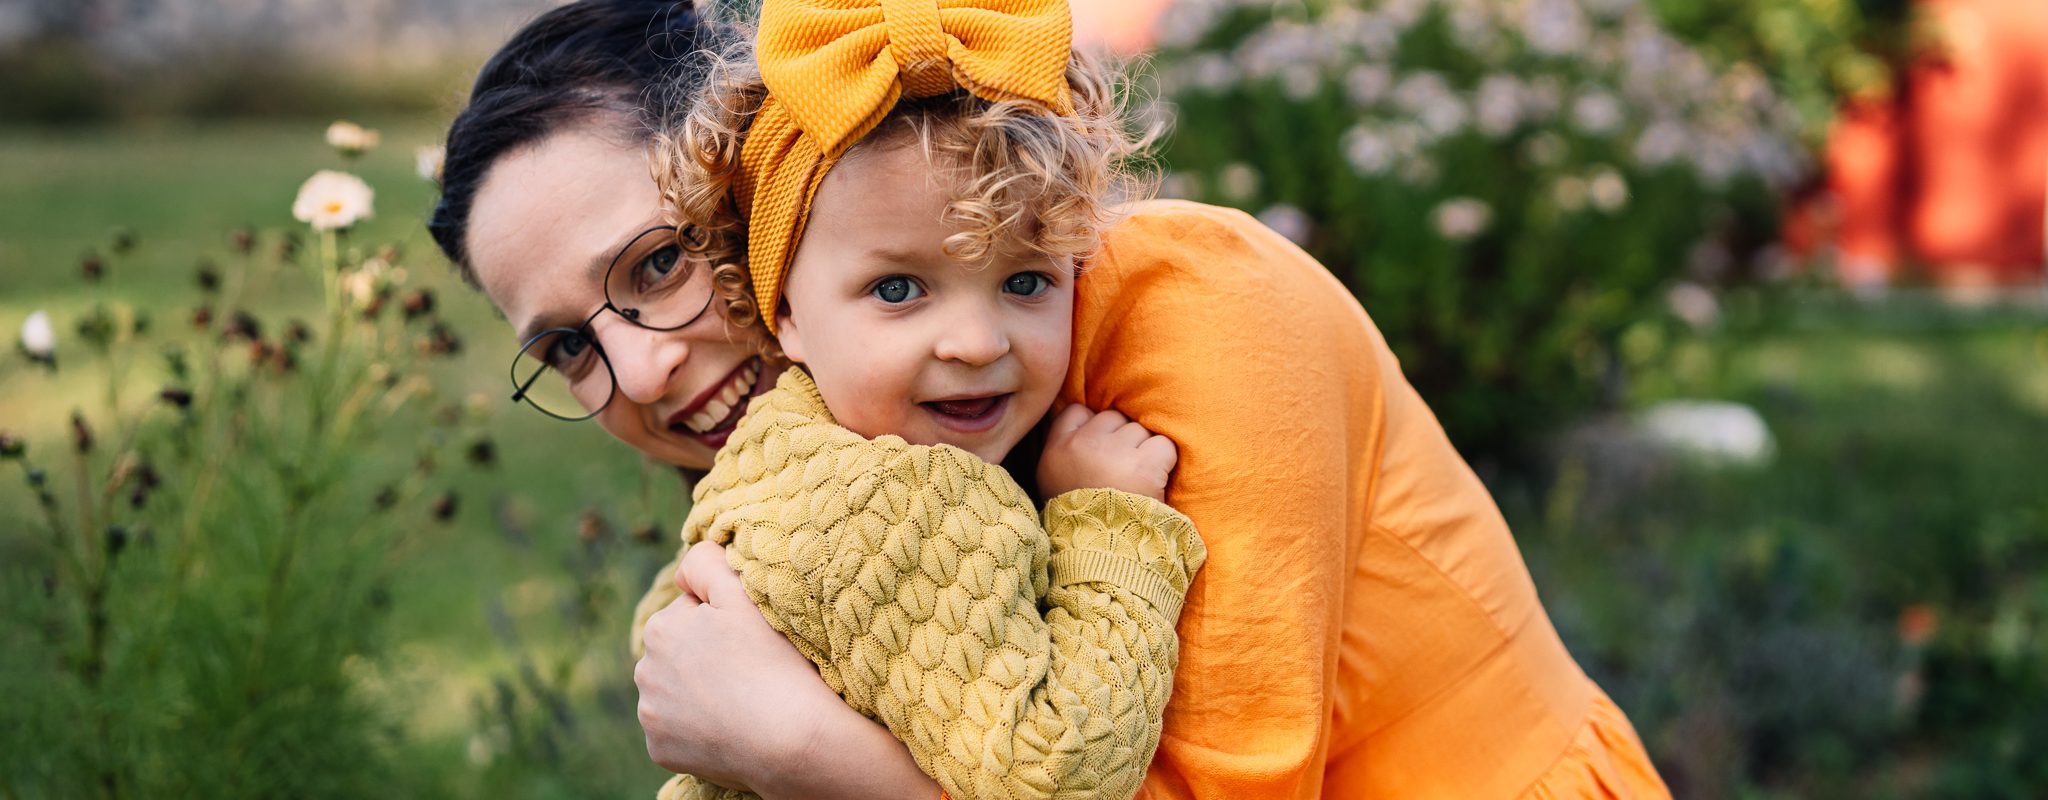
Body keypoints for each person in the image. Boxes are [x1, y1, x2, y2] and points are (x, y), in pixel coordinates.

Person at [430, 1, 1673, 797]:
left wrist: (799, 751)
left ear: (747, 205)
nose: (639, 369)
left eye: (653, 265)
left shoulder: (1205, 316)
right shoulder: (841, 443)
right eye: (567, 347)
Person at [633, 37, 1207, 797]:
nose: (977, 343)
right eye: (899, 289)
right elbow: (1059, 776)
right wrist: (1108, 524)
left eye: (1027, 279)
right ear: (785, 314)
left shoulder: (775, 447)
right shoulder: (912, 498)